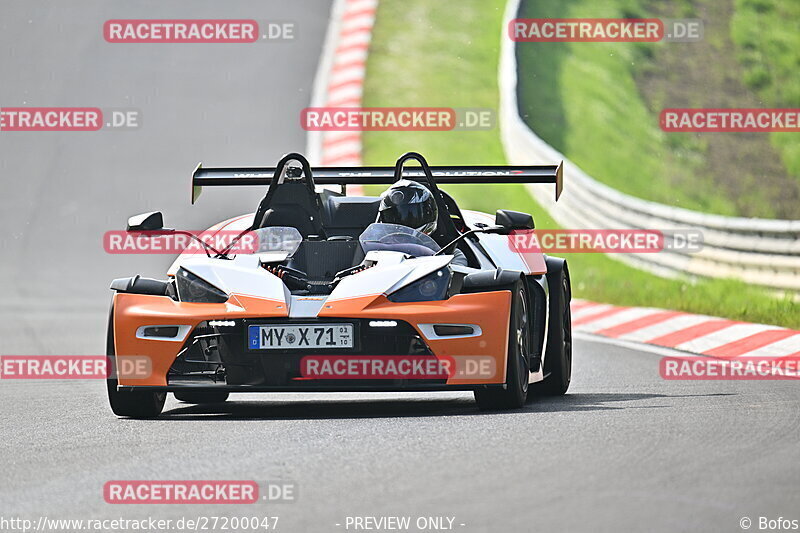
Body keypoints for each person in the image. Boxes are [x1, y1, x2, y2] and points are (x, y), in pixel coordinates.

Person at [376, 180, 468, 266]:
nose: (403, 224)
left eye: (412, 216)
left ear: (429, 214)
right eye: (394, 217)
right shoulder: (376, 250)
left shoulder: (453, 255)